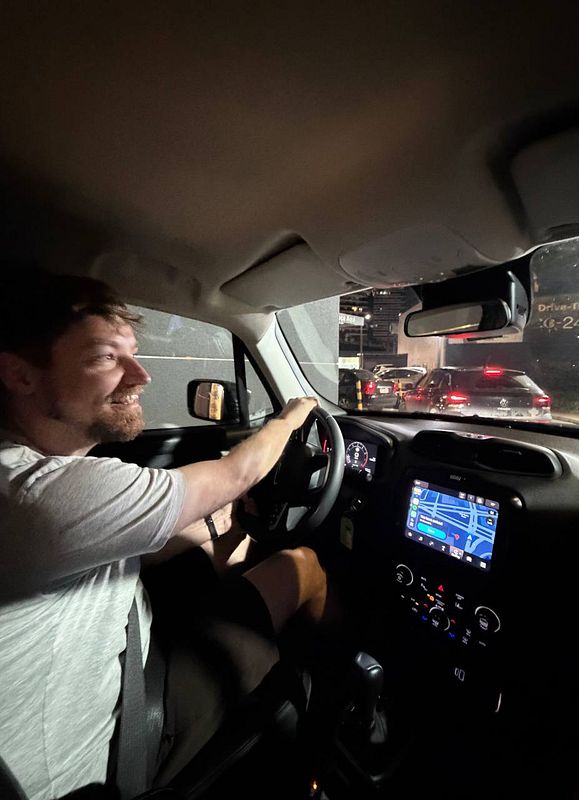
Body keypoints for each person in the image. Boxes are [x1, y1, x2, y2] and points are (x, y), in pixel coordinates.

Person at [0, 268, 339, 800]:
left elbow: (115, 546)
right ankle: (337, 706)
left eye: (133, 353)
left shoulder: (23, 480)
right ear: (20, 375)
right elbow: (237, 475)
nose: (141, 376)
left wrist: (213, 521)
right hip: (116, 749)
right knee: (304, 567)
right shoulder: (42, 492)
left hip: (106, 667)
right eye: (106, 358)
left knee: (217, 542)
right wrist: (294, 416)